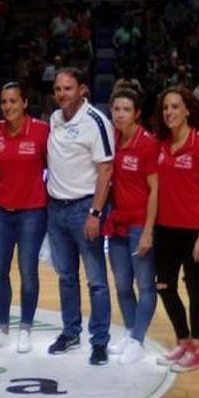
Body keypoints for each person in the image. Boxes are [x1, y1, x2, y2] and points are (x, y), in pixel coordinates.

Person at [45, 68, 114, 364]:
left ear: (82, 90)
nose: (62, 94)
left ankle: (99, 340)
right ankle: (71, 331)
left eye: (68, 88)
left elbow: (106, 170)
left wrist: (95, 213)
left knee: (96, 280)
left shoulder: (97, 121)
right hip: (55, 208)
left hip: (84, 208)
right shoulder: (54, 118)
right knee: (66, 277)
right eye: (58, 89)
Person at [153, 86, 199, 373]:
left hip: (194, 231)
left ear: (188, 110)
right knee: (164, 286)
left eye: (175, 107)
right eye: (166, 107)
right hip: (166, 229)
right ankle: (183, 340)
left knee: (194, 287)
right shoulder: (162, 144)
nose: (170, 112)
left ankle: (198, 350)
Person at [0, 82, 49, 353]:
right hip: (0, 212)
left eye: (13, 101)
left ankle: (26, 328)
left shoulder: (42, 131)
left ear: (24, 103)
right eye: (4, 102)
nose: (8, 106)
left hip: (33, 212)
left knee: (28, 273)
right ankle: (1, 327)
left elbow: (54, 165)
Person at [105, 88, 158, 365]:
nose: (120, 115)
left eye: (126, 110)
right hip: (118, 223)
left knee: (145, 286)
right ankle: (129, 331)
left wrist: (148, 230)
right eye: (116, 109)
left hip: (140, 225)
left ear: (137, 113)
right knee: (123, 285)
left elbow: (155, 190)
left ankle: (138, 340)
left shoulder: (147, 143)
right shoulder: (112, 139)